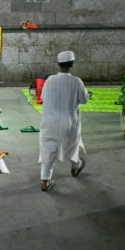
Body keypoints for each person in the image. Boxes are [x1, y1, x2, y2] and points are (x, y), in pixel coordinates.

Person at [38, 51, 90, 192]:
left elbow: (43, 97)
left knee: (47, 150)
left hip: (49, 123)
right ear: (72, 64)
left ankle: (45, 181)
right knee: (72, 145)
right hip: (68, 123)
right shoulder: (76, 81)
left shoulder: (50, 80)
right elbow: (84, 99)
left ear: (58, 64)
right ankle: (75, 165)